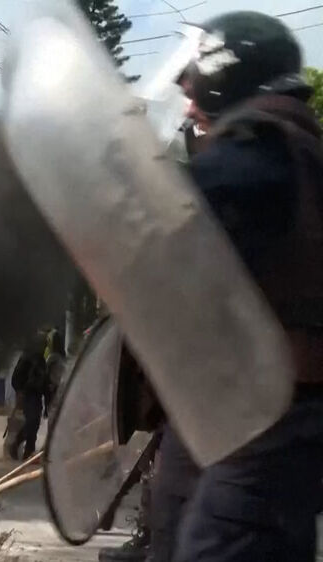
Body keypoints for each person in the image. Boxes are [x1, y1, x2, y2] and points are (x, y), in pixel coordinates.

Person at [148, 12, 323, 561]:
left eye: (194, 88)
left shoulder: (260, 149)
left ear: (224, 77)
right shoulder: (290, 146)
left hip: (269, 420)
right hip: (234, 410)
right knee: (174, 523)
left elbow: (164, 218)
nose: (186, 102)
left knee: (220, 544)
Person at [8, 340, 48, 461]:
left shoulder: (41, 360)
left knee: (34, 424)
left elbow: (43, 380)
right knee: (32, 421)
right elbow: (16, 378)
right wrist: (20, 391)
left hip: (36, 395)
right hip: (28, 394)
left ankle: (28, 452)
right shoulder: (27, 358)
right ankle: (17, 445)